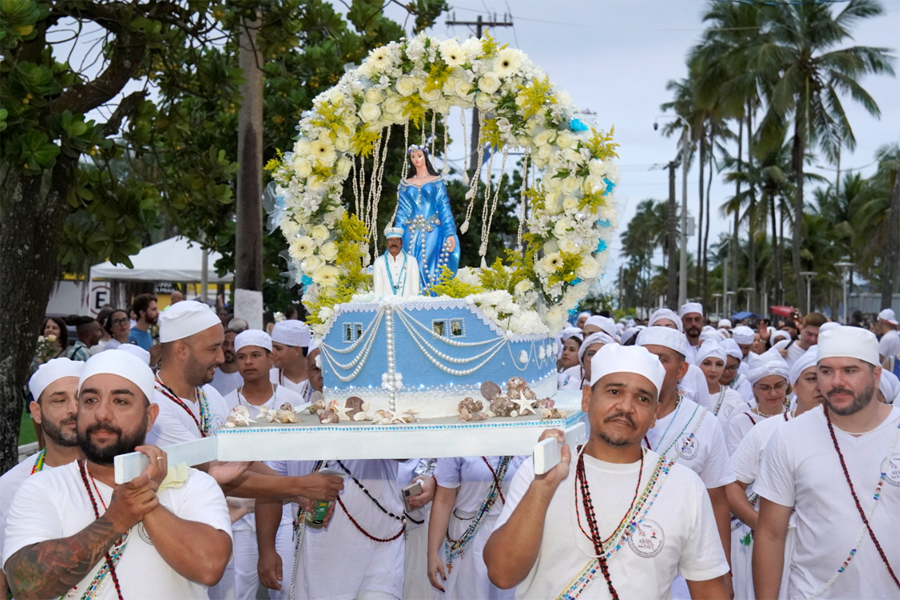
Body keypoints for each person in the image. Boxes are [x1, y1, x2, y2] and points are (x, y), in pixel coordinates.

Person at [483, 343, 729, 598]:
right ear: (587, 398)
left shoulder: (683, 485)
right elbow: (502, 574)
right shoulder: (542, 471)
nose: (625, 406)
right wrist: (543, 486)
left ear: (655, 414)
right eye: (614, 392)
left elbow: (709, 590)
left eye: (642, 398)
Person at [2, 351, 234, 599]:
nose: (102, 414)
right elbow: (25, 586)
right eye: (90, 400)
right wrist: (117, 518)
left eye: (120, 401)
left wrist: (141, 496)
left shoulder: (192, 484)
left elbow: (209, 569)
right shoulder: (42, 487)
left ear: (149, 417)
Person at [753, 326, 900, 599]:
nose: (836, 381)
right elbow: (770, 534)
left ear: (876, 375)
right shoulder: (789, 436)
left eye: (850, 370)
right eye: (826, 371)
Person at [635, 326, 735, 598]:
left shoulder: (704, 424)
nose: (651, 366)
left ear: (681, 371)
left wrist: (723, 572)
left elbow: (717, 501)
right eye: (644, 357)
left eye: (662, 359)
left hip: (683, 563)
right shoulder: (617, 416)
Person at [726, 347, 822, 600]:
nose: (821, 386)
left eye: (825, 378)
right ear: (796, 385)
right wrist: (765, 527)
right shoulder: (767, 429)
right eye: (812, 378)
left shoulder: (845, 435)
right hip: (774, 543)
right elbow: (731, 485)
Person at [0, 359, 85, 594]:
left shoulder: (118, 471)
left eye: (82, 398)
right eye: (59, 400)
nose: (74, 409)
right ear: (37, 412)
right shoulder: (9, 486)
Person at [428, 456, 525, 599]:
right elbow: (443, 500)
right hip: (467, 537)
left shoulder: (522, 437)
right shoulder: (458, 440)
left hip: (512, 531)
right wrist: (432, 553)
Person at [395, 145, 460, 294]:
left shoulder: (436, 181)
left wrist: (449, 232)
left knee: (428, 264)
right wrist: (396, 233)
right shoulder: (406, 183)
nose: (416, 159)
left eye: (419, 156)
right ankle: (412, 298)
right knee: (409, 264)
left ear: (425, 156)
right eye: (413, 157)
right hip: (410, 232)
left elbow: (444, 208)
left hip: (432, 230)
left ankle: (430, 296)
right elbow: (402, 211)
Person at [724, 354, 790, 454]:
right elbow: (736, 464)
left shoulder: (797, 417)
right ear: (753, 389)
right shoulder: (739, 423)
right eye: (764, 387)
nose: (773, 393)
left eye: (779, 386)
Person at [696, 342, 748, 426]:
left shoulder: (735, 398)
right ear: (698, 365)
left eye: (719, 364)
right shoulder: (688, 395)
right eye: (707, 363)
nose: (713, 370)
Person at [269, 320, 312, 399]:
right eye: (272, 347)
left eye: (278, 348)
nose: (272, 352)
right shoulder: (268, 378)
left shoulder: (318, 378)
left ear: (297, 350)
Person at [373, 227, 421, 298]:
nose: (394, 243)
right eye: (390, 241)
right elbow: (377, 288)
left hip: (407, 304)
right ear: (387, 244)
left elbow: (415, 285)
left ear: (402, 244)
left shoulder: (411, 261)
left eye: (397, 240)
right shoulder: (379, 262)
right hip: (386, 305)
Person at [210, 328, 243, 396]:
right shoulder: (210, 375)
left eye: (233, 344)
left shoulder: (246, 376)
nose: (229, 348)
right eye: (225, 344)